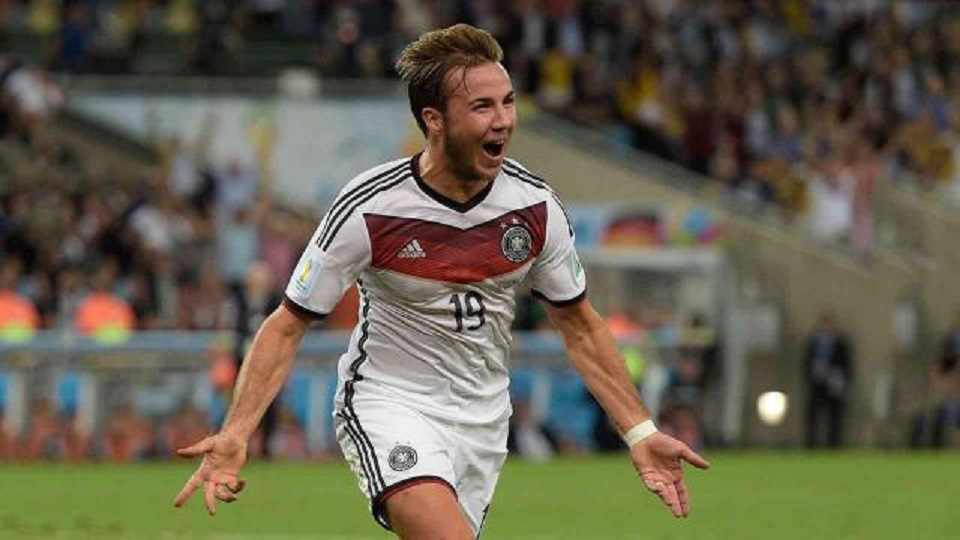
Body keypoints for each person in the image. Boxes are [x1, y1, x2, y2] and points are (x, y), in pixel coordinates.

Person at [173, 24, 710, 538]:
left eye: (508, 102)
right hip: (389, 403)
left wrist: (640, 431)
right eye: (482, 106)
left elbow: (580, 327)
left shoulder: (535, 208)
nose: (503, 121)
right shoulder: (371, 208)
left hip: (483, 420)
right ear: (434, 120)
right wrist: (236, 431)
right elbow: (287, 324)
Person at [803, 311, 853, 448]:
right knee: (813, 416)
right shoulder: (813, 343)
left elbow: (847, 365)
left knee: (835, 417)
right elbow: (806, 363)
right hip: (817, 385)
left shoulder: (841, 344)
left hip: (834, 385)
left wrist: (841, 380)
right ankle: (811, 445)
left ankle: (833, 446)